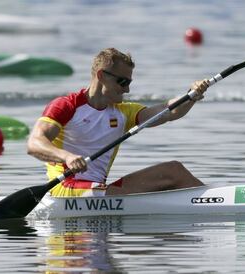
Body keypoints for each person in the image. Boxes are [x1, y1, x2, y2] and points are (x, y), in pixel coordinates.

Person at [27, 48, 209, 197]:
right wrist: (67, 157)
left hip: (100, 189)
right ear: (101, 75)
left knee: (174, 170)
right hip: (65, 187)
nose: (127, 89)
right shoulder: (66, 106)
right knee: (117, 195)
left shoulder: (124, 112)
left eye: (129, 82)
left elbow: (169, 112)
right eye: (122, 82)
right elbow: (34, 144)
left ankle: (211, 200)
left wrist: (191, 95)